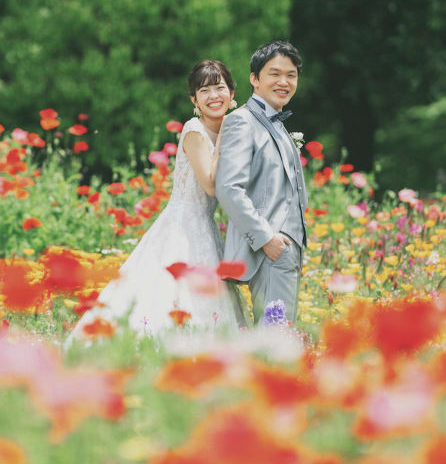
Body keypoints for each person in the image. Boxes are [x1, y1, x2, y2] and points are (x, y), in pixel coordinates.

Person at [68, 60, 246, 340]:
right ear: (194, 100)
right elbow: (211, 186)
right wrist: (226, 132)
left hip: (206, 226)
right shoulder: (195, 131)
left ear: (232, 93)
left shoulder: (231, 130)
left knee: (207, 301)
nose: (214, 96)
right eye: (204, 91)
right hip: (183, 226)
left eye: (219, 88)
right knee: (168, 295)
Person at [216, 40, 308, 325]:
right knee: (274, 337)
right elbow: (229, 187)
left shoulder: (277, 123)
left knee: (280, 336)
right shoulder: (242, 121)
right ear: (254, 79)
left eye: (291, 75)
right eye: (274, 73)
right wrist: (267, 238)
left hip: (285, 251)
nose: (284, 82)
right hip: (268, 249)